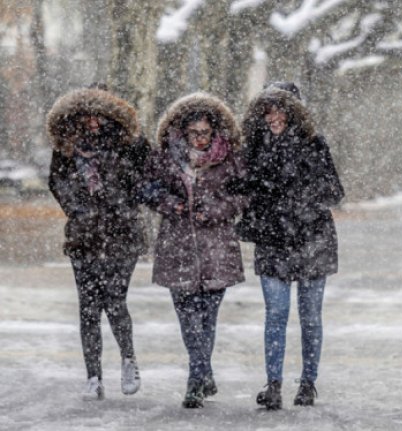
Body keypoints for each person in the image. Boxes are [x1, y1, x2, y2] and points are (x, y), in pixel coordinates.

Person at [232, 82, 344, 410]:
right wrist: (253, 191)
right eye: (268, 109)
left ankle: (308, 383)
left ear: (295, 111)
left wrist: (298, 198)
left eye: (280, 108)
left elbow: (334, 192)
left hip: (312, 240)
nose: (274, 116)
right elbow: (240, 187)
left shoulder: (313, 144)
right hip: (272, 240)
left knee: (310, 316)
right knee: (276, 314)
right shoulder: (251, 147)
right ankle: (274, 385)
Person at [46, 86, 149, 400]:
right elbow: (57, 182)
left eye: (99, 113)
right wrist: (79, 209)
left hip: (123, 236)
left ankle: (128, 358)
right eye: (87, 114)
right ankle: (93, 376)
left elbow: (143, 180)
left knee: (114, 300)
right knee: (88, 308)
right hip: (84, 238)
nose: (93, 121)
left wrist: (118, 202)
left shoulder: (131, 144)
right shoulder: (67, 147)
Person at [143, 93, 245, 408]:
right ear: (182, 132)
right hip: (178, 247)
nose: (199, 139)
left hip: (217, 249)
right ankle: (201, 372)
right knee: (188, 319)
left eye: (205, 132)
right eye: (193, 133)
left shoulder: (229, 157)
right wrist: (173, 204)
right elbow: (147, 188)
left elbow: (243, 194)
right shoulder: (165, 157)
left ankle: (196, 379)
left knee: (208, 317)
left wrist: (215, 209)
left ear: (214, 131)